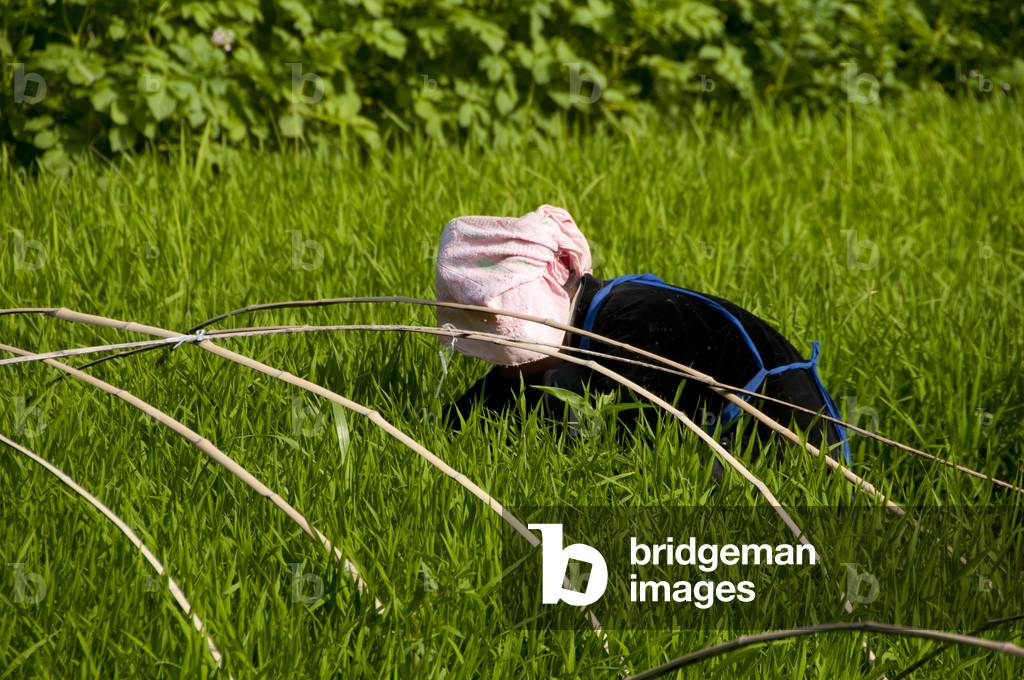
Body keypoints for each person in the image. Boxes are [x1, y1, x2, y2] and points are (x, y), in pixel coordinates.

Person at [434, 204, 849, 469]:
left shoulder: (627, 334)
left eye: (509, 357)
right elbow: (507, 391)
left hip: (784, 449)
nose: (507, 370)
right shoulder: (603, 307)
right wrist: (444, 431)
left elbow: (637, 457)